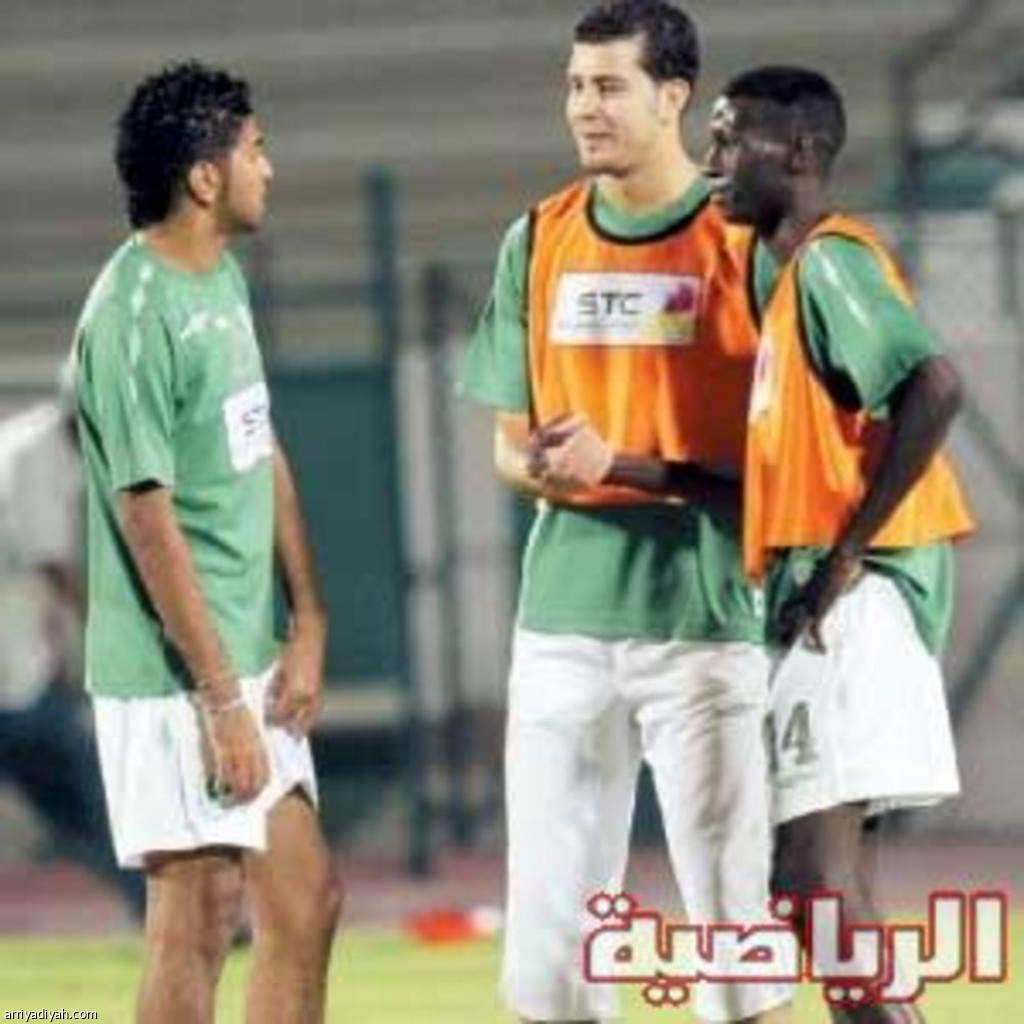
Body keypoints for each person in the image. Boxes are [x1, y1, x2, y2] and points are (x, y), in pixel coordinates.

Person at [460, 3, 792, 1021]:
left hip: (704, 625)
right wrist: (548, 470)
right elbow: (507, 442)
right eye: (574, 86)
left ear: (673, 96)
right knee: (549, 960)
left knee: (734, 947)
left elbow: (795, 456)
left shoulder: (747, 242)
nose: (584, 107)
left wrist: (625, 466)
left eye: (608, 86)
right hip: (559, 627)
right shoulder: (537, 238)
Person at [72, 61, 341, 1024]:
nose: (268, 167)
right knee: (198, 918)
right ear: (204, 177)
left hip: (250, 658)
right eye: (255, 150)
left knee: (305, 906)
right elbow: (148, 523)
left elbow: (257, 444)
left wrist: (307, 618)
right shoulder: (130, 315)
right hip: (177, 678)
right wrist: (221, 699)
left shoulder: (219, 279)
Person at [704, 66, 975, 1020]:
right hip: (830, 598)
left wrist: (849, 553)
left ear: (801, 152)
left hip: (855, 604)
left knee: (812, 888)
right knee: (831, 893)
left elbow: (936, 387)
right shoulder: (780, 278)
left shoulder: (830, 262)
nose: (711, 158)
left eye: (730, 138)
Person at [0, 379, 144, 921]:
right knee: (91, 796)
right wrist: (107, 627)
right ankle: (157, 907)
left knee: (81, 805)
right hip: (14, 683)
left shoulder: (51, 452)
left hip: (22, 671)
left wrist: (60, 649)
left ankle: (156, 906)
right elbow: (49, 563)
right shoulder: (32, 453)